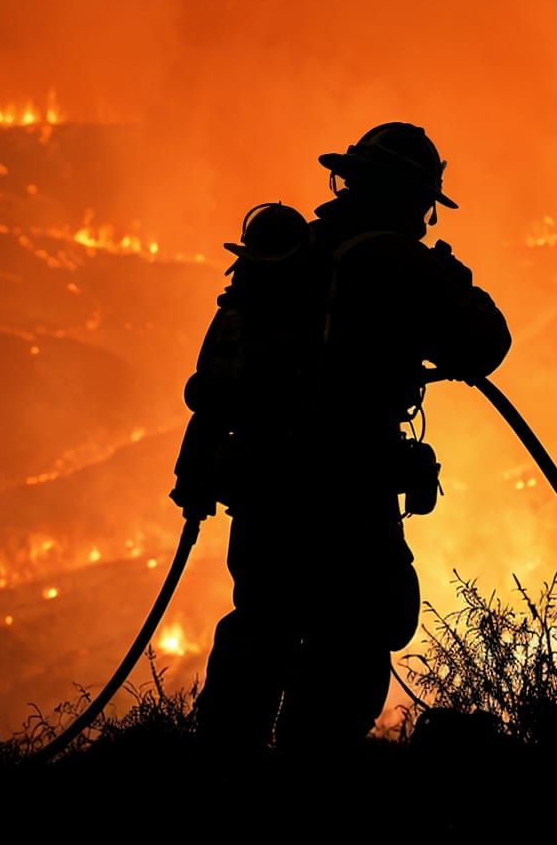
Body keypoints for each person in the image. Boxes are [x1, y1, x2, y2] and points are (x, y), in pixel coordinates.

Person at [171, 122, 511, 759]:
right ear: (412, 196)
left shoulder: (292, 255)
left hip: (264, 487)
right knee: (352, 637)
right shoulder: (397, 262)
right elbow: (485, 344)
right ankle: (312, 783)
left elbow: (215, 380)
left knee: (262, 623)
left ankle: (221, 773)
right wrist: (453, 280)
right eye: (425, 205)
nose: (426, 220)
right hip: (350, 493)